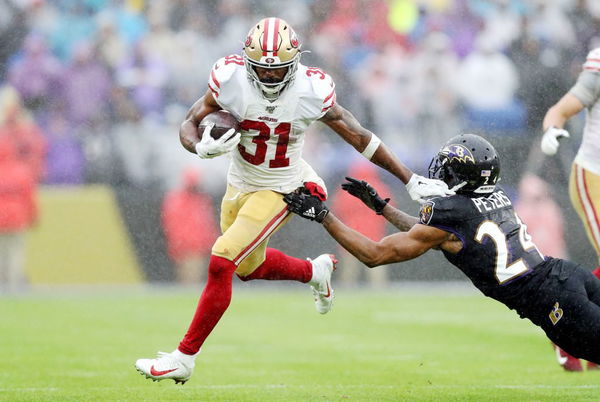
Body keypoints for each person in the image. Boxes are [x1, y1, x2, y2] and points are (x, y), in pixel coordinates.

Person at [135, 17, 452, 384]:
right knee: (246, 268)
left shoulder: (310, 89)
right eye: (262, 71)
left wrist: (410, 180)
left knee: (222, 259)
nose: (270, 79)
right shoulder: (230, 79)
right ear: (247, 62)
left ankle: (184, 357)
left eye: (278, 71)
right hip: (240, 183)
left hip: (286, 186)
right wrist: (199, 146)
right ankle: (314, 272)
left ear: (295, 62)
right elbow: (189, 122)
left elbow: (358, 135)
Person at [285, 133, 600, 366]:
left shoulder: (452, 213)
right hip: (567, 274)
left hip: (554, 301)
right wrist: (382, 207)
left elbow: (375, 255)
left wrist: (324, 216)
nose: (442, 173)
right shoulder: (494, 196)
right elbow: (436, 236)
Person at [541, 46, 600, 371]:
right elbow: (561, 109)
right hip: (594, 174)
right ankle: (564, 327)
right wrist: (552, 129)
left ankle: (564, 317)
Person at [161, 168, 218, 284]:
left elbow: (206, 223)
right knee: (191, 275)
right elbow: (175, 224)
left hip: (194, 245)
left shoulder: (199, 200)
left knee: (193, 275)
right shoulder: (179, 200)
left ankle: (188, 296)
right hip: (189, 245)